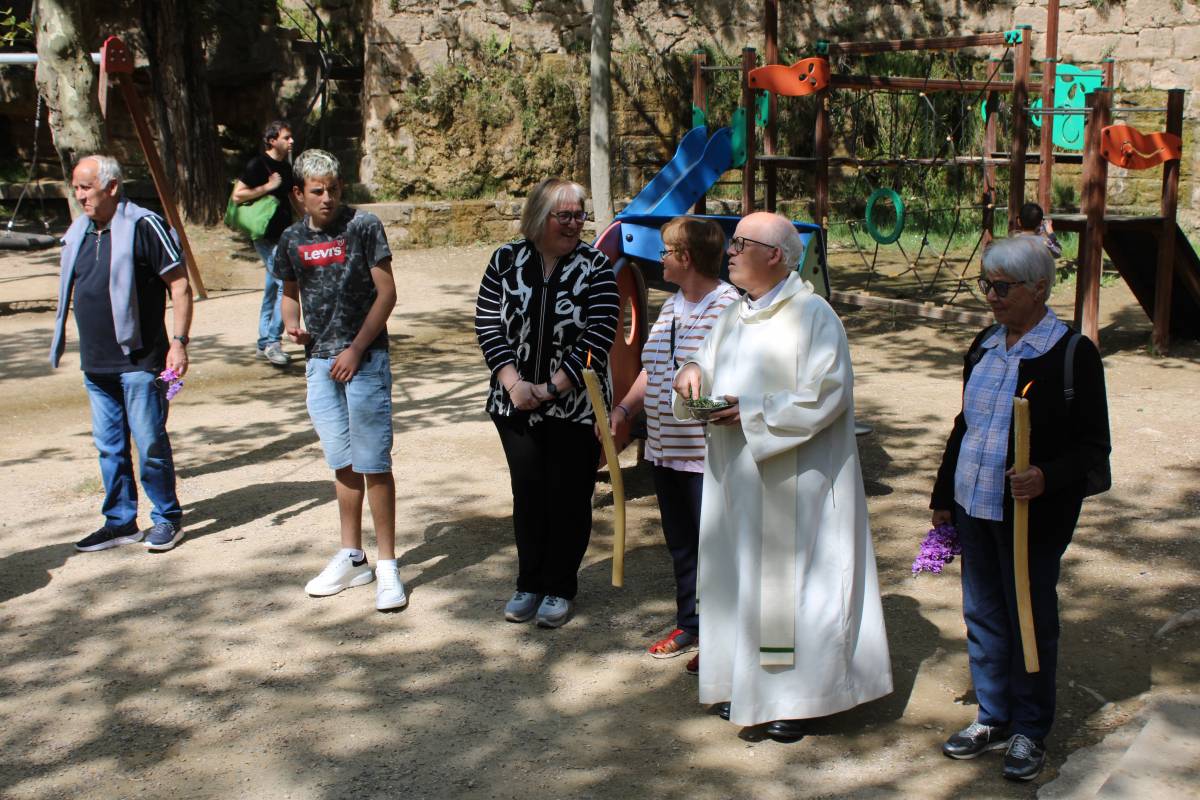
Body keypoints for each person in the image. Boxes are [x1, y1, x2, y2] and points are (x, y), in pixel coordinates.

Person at [673, 211, 892, 741]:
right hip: (736, 480)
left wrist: (748, 409)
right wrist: (691, 375)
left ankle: (792, 700)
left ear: (774, 255)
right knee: (737, 579)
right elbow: (700, 363)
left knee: (792, 587)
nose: (728, 250)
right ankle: (740, 685)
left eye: (740, 243)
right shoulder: (734, 314)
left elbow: (825, 395)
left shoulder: (814, 316)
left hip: (796, 484)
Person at [930, 236, 1110, 781]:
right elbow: (966, 426)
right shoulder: (984, 345)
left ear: (1038, 289)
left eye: (1003, 286)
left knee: (1029, 618)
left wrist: (1045, 476)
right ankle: (993, 716)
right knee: (983, 612)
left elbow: (1093, 447)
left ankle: (1030, 727)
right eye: (986, 284)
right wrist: (942, 496)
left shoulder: (1072, 355)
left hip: (1031, 518)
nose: (991, 296)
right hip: (973, 505)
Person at [474, 178, 618, 628]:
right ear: (539, 216)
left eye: (580, 215)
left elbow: (600, 334)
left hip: (574, 404)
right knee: (529, 493)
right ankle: (529, 581)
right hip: (512, 402)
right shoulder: (504, 260)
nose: (575, 224)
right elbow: (487, 324)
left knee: (571, 496)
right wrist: (515, 384)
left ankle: (560, 585)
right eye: (565, 215)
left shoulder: (596, 266)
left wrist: (554, 386)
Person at [271, 149, 407, 613]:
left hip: (365, 360)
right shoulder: (290, 239)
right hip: (319, 365)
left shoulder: (364, 226)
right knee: (343, 461)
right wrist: (293, 326)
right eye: (316, 191)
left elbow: (386, 294)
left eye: (332, 189)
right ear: (298, 195)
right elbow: (289, 293)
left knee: (374, 462)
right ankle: (352, 557)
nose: (327, 198)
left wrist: (356, 348)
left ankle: (387, 564)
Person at [610, 217, 739, 669]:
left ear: (685, 258)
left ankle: (722, 639)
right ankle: (691, 623)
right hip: (664, 451)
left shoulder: (729, 308)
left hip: (708, 456)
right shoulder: (671, 306)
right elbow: (651, 368)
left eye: (666, 252)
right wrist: (625, 410)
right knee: (681, 543)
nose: (660, 259)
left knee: (715, 547)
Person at [50, 155, 192, 553]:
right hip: (96, 364)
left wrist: (179, 342)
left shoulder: (144, 225)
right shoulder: (80, 230)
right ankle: (120, 522)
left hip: (141, 361)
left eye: (85, 188)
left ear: (111, 187)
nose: (79, 196)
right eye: (76, 187)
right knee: (109, 447)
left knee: (149, 443)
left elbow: (179, 285)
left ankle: (167, 518)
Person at [232, 120, 296, 366]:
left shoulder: (286, 167)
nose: (291, 142)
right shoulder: (258, 164)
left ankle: (263, 343)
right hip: (264, 235)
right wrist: (267, 186)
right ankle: (272, 342)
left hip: (284, 234)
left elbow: (292, 198)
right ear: (272, 140)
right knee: (285, 283)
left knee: (272, 287)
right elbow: (238, 195)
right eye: (286, 137)